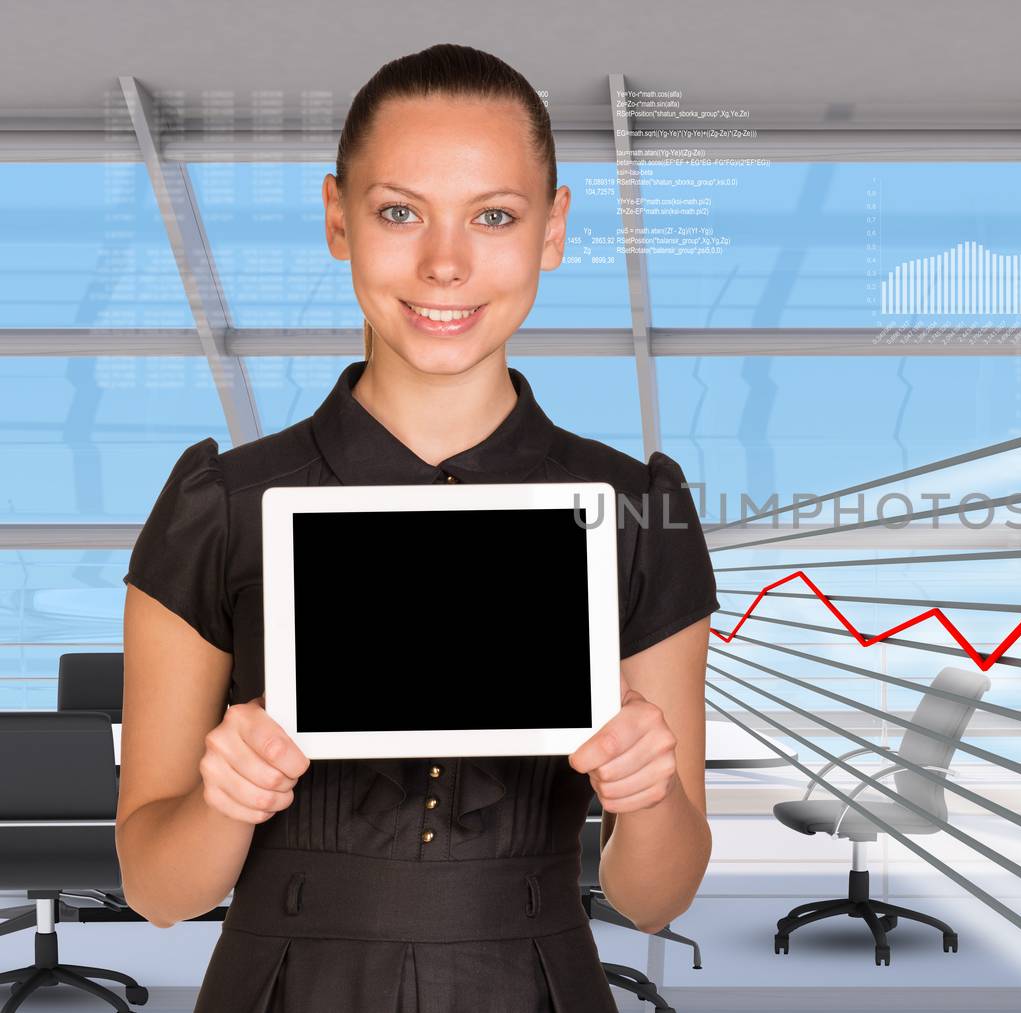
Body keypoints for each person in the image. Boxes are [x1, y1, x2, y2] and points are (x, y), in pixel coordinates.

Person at [113, 43, 719, 1012]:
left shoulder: (635, 510)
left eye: (494, 215)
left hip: (535, 982)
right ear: (337, 219)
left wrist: (646, 792)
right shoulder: (218, 505)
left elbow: (658, 897)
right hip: (283, 985)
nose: (445, 262)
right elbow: (156, 889)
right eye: (400, 211)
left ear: (552, 229)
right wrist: (223, 799)